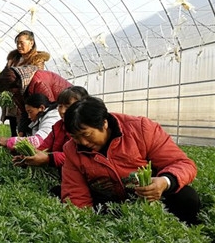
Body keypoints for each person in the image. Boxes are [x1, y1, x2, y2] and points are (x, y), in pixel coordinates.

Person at [61, 96, 200, 225]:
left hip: (149, 197)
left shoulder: (141, 129)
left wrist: (165, 182)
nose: (83, 142)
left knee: (186, 198)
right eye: (75, 137)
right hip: (108, 201)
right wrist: (86, 224)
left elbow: (181, 163)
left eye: (86, 134)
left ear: (104, 123)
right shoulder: (72, 149)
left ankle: (185, 228)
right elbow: (75, 192)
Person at [0, 31, 50, 136]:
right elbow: (5, 73)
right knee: (13, 124)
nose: (19, 46)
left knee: (26, 124)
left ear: (31, 43)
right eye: (17, 43)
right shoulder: (13, 59)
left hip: (26, 98)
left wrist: (15, 82)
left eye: (21, 43)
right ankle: (15, 141)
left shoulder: (37, 60)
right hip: (13, 99)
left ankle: (25, 141)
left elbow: (36, 77)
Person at [0, 65, 71, 136]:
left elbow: (48, 111)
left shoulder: (39, 83)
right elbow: (24, 112)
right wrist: (21, 132)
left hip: (69, 106)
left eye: (10, 90)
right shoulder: (19, 91)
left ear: (16, 84)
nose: (10, 92)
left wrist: (37, 138)